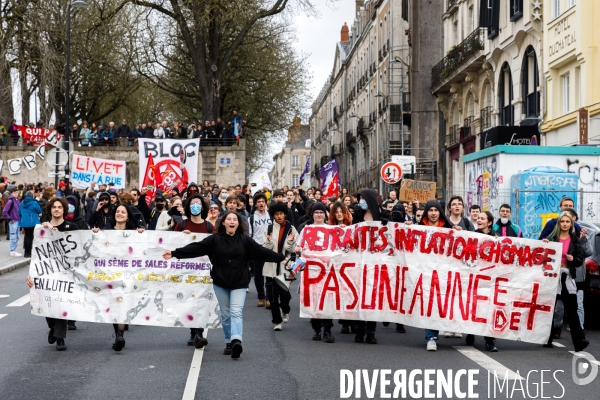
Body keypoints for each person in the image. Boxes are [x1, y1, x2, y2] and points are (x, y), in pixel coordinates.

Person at [163, 211, 285, 359]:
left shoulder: (245, 241)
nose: (232, 222)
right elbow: (196, 248)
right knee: (226, 315)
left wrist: (280, 258)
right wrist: (175, 253)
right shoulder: (215, 240)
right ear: (224, 223)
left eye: (235, 219)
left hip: (239, 282)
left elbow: (262, 252)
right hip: (220, 283)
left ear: (238, 224)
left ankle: (236, 341)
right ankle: (228, 341)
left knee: (236, 312)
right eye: (229, 219)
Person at [25, 197, 79, 351]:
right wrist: (31, 274)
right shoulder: (42, 229)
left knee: (61, 303)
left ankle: (60, 338)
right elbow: (36, 254)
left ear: (64, 210)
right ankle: (53, 328)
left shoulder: (71, 227)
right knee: (47, 302)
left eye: (59, 207)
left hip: (66, 273)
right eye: (54, 207)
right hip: (47, 273)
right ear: (50, 210)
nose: (56, 209)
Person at [542, 212, 589, 352]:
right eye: (562, 221)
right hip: (552, 277)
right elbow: (543, 257)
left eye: (567, 222)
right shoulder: (552, 238)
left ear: (571, 224)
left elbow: (580, 259)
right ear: (559, 223)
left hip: (567, 277)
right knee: (549, 309)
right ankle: (547, 338)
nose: (564, 224)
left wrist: (572, 259)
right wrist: (544, 245)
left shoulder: (575, 240)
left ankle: (579, 341)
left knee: (572, 310)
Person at [173, 195, 212, 348]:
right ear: (188, 206)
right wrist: (182, 238)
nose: (195, 205)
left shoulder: (209, 227)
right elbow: (172, 244)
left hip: (204, 271)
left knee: (201, 300)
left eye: (198, 203)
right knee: (189, 300)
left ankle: (199, 332)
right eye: (193, 203)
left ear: (202, 207)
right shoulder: (181, 225)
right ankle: (192, 331)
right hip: (186, 270)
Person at [296, 202, 336, 343]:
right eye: (316, 212)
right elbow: (299, 247)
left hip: (327, 271)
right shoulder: (306, 230)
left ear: (325, 214)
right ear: (312, 214)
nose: (319, 215)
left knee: (327, 301)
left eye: (321, 212)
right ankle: (317, 329)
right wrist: (297, 249)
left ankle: (328, 330)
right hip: (311, 272)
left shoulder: (331, 229)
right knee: (314, 300)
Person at [420, 200, 453, 351]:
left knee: (441, 304)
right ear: (426, 212)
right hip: (425, 272)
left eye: (436, 210)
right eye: (430, 210)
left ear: (440, 212)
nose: (433, 213)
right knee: (429, 304)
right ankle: (431, 337)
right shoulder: (418, 228)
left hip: (444, 273)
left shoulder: (449, 229)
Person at [465, 211, 499, 351]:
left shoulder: (497, 238)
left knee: (488, 309)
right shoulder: (472, 236)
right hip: (474, 276)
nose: (479, 220)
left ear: (489, 223)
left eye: (482, 218)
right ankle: (471, 332)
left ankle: (490, 341)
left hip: (490, 278)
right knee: (473, 306)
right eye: (478, 218)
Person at [262, 202, 298, 331]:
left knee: (284, 295)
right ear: (273, 215)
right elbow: (264, 248)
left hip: (285, 267)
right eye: (276, 214)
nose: (279, 216)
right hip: (271, 266)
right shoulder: (269, 228)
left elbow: (294, 249)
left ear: (285, 214)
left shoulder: (291, 229)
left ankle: (285, 309)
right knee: (272, 298)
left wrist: (289, 242)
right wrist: (269, 241)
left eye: (281, 213)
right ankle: (277, 321)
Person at [249, 193, 272, 307]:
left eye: (263, 201)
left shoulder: (270, 216)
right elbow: (249, 235)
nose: (261, 203)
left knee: (269, 274)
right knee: (258, 275)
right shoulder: (252, 218)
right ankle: (261, 297)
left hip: (268, 248)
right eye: (259, 202)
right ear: (256, 204)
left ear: (266, 203)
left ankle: (268, 298)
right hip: (256, 248)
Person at [18, 191, 42, 258]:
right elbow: (39, 211)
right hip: (32, 222)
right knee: (30, 237)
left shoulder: (22, 203)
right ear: (32, 196)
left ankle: (26, 251)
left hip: (24, 222)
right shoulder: (34, 203)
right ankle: (28, 253)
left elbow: (19, 212)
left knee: (26, 236)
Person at [3, 187, 22, 256]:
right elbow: (5, 211)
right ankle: (12, 250)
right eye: (16, 192)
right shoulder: (11, 201)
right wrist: (10, 218)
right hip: (13, 221)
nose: (17, 194)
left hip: (17, 220)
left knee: (17, 237)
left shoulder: (16, 200)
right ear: (12, 193)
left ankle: (14, 250)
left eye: (17, 192)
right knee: (14, 236)